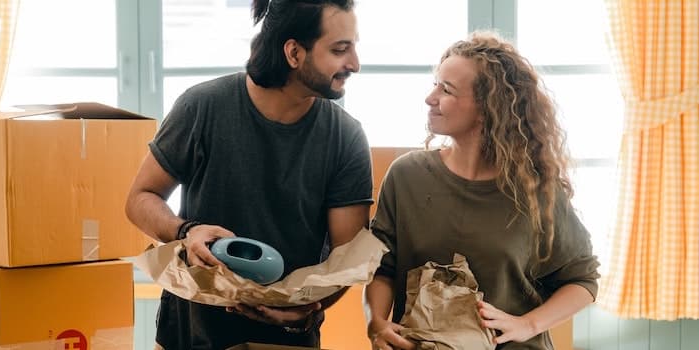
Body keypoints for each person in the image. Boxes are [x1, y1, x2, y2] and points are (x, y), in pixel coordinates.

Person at [125, 0, 372, 349]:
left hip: (286, 341)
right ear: (294, 53)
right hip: (188, 335)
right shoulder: (202, 107)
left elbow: (346, 262)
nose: (355, 64)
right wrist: (186, 231)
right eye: (339, 49)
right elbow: (139, 199)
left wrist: (307, 310)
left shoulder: (346, 138)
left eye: (354, 47)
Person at [363, 31, 600, 350]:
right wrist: (376, 323)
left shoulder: (536, 190)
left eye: (446, 90)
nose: (430, 98)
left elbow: (583, 281)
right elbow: (382, 267)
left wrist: (527, 324)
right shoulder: (406, 176)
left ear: (488, 108)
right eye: (435, 84)